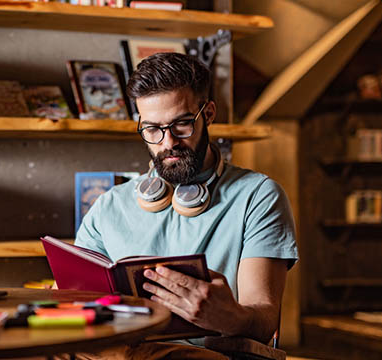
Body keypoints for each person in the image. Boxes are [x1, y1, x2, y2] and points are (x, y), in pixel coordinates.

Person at [74, 52, 298, 359]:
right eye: (152, 129)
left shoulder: (258, 196)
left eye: (181, 125)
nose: (167, 143)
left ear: (208, 114)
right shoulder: (108, 206)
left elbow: (263, 322)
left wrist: (229, 316)